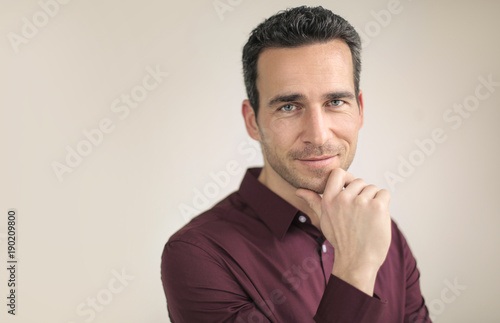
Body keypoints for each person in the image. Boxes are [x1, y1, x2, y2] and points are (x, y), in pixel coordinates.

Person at [161, 6, 431, 323]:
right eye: (289, 106)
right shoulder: (199, 254)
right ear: (252, 121)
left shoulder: (382, 231)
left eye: (335, 102)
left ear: (359, 110)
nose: (318, 135)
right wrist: (355, 268)